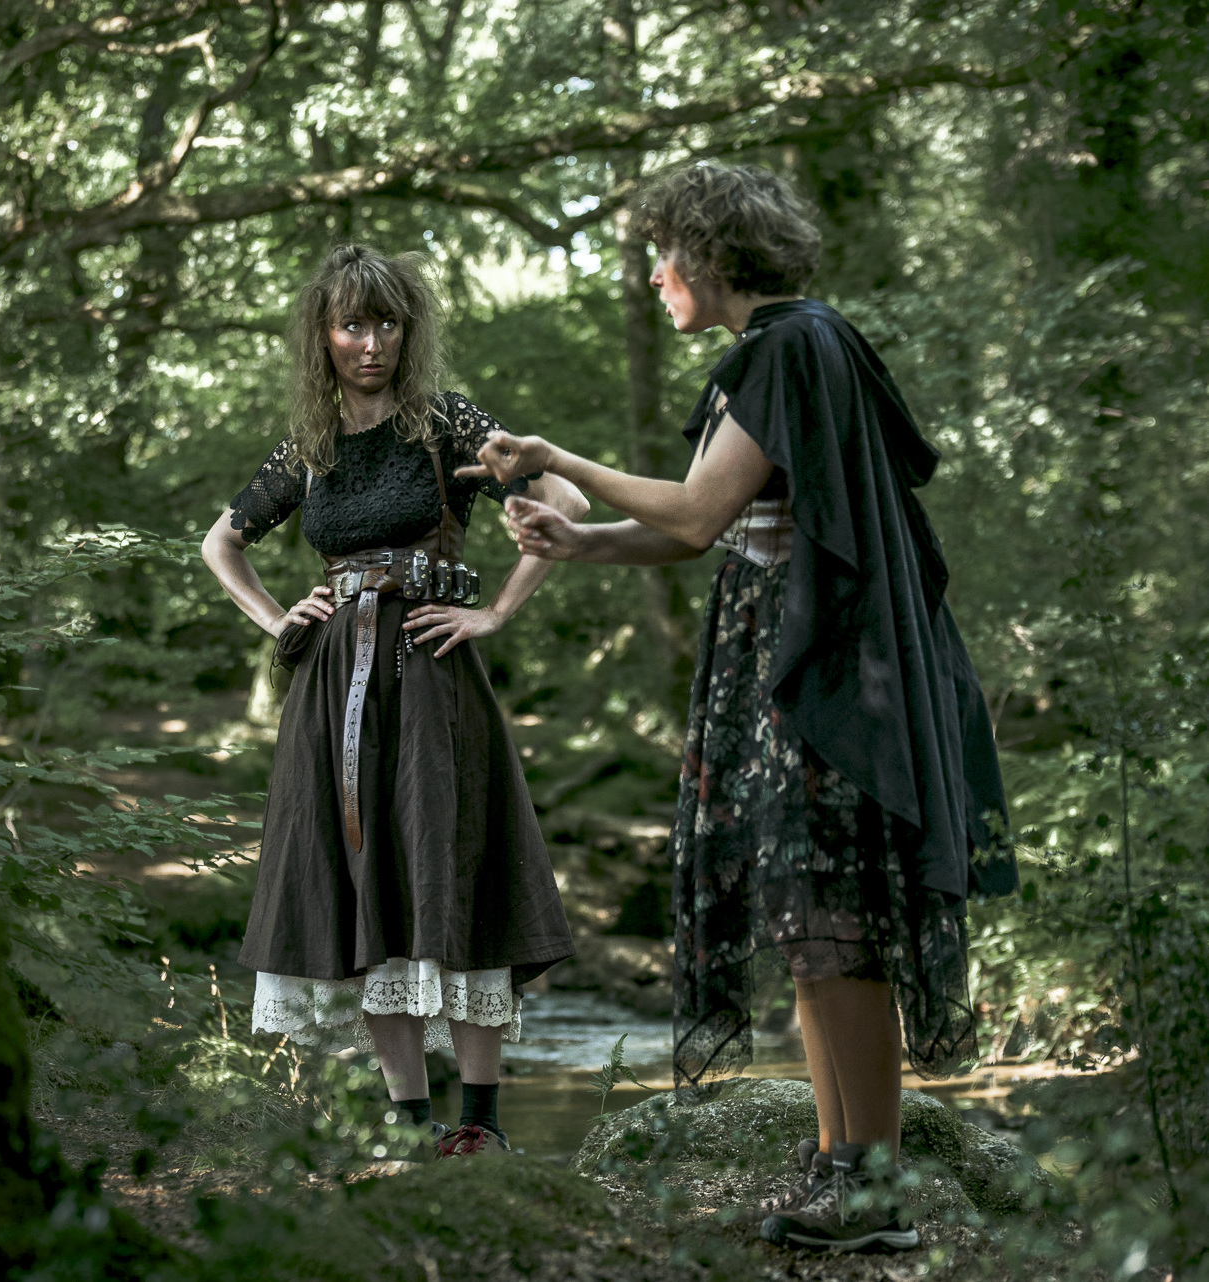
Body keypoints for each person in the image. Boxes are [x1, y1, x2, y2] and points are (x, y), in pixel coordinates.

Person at [460, 164, 1017, 1247]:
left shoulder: (790, 347)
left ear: (709, 259)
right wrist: (580, 539)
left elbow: (699, 505)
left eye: (661, 254)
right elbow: (690, 532)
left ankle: (873, 1186)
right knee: (808, 930)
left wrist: (558, 459)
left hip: (823, 676)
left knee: (835, 926)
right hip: (790, 669)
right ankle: (839, 1168)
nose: (652, 276)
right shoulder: (778, 352)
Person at [202, 243, 584, 1157]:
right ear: (323, 336)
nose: (369, 343)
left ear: (407, 329)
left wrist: (494, 611)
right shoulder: (312, 444)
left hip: (433, 677)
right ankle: (412, 1126)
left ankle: (482, 1126)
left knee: (452, 864)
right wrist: (277, 621)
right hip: (335, 689)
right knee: (366, 879)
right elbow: (221, 543)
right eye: (350, 325)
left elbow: (559, 494)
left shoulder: (445, 424)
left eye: (385, 323)